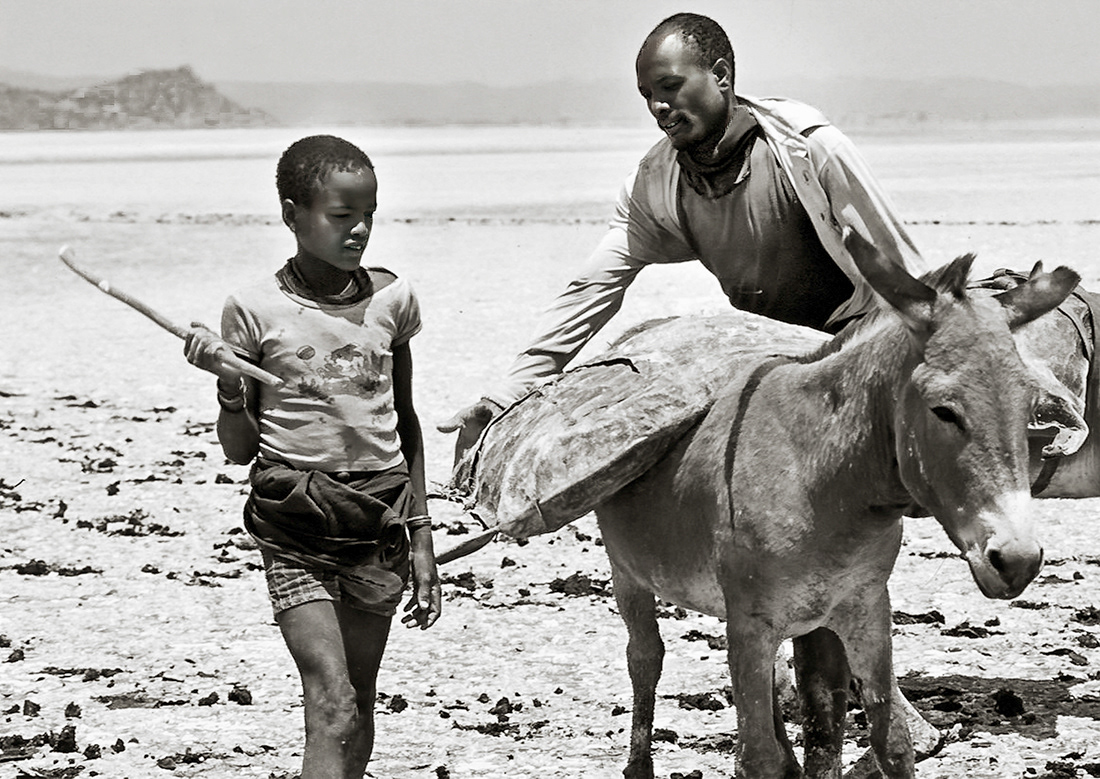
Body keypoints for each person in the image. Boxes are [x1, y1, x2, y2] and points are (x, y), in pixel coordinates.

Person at [438, 11, 925, 459]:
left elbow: (902, 272)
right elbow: (591, 291)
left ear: (720, 75)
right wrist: (504, 397)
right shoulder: (657, 182)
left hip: (854, 347)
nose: (658, 106)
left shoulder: (807, 150)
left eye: (670, 86)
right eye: (647, 94)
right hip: (767, 361)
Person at [183, 134, 441, 779]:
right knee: (329, 700)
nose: (359, 230)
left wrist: (422, 542)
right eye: (340, 215)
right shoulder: (252, 310)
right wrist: (229, 386)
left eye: (368, 213)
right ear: (292, 214)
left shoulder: (392, 300)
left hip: (377, 518)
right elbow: (239, 449)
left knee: (356, 701)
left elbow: (404, 424)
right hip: (294, 520)